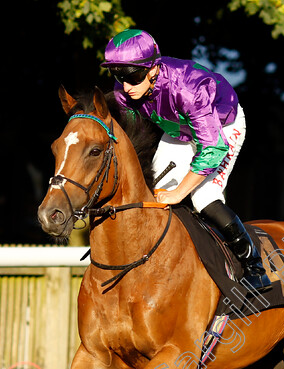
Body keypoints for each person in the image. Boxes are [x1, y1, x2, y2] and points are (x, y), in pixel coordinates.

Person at [101, 29, 271, 291]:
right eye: (118, 75)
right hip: (179, 131)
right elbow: (131, 142)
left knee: (203, 198)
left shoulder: (189, 88)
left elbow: (212, 149)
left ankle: (255, 267)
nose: (125, 86)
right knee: (150, 193)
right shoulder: (125, 91)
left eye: (132, 76)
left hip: (222, 128)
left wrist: (179, 192)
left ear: (153, 69)